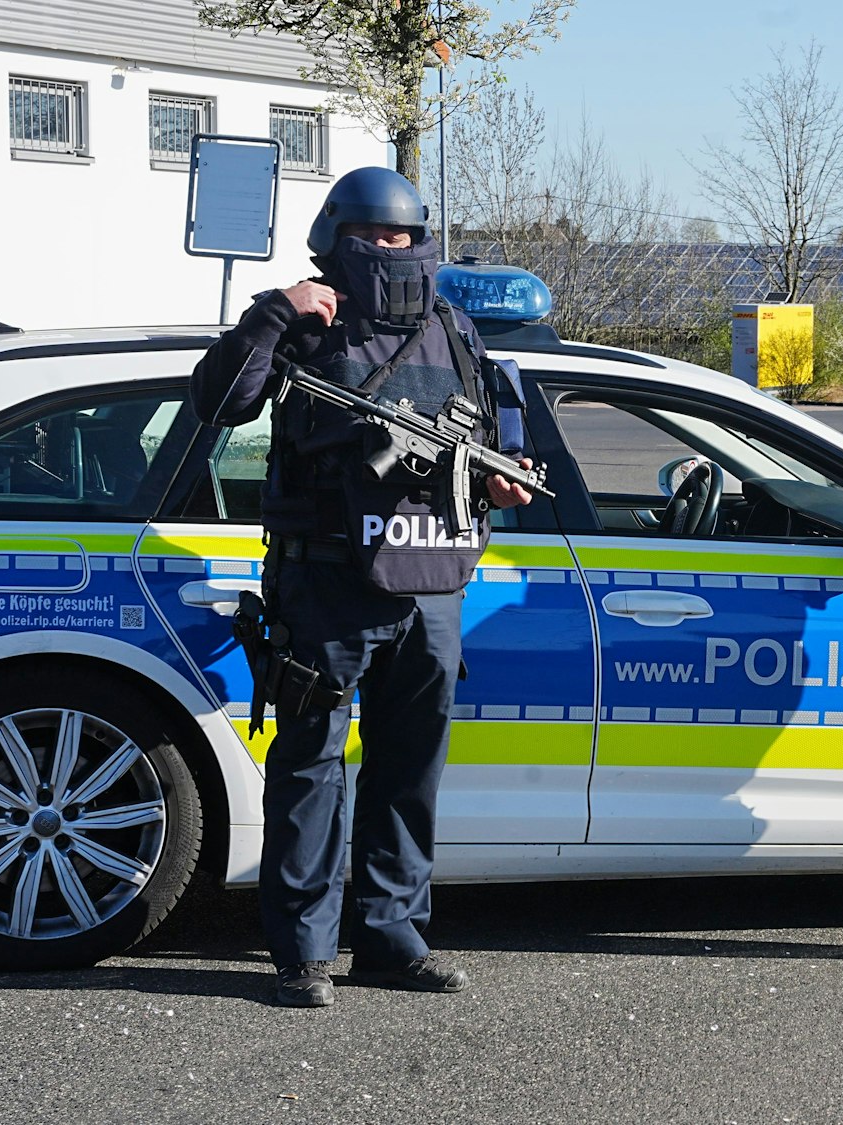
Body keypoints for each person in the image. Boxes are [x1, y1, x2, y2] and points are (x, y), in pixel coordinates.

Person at [190, 167, 535, 1009]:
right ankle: (303, 954)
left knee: (409, 771)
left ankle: (391, 938)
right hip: (328, 580)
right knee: (311, 769)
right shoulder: (308, 320)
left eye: (404, 236)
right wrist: (275, 315)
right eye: (375, 236)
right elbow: (219, 401)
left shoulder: (453, 326)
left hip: (434, 587)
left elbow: (496, 431)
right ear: (335, 237)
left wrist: (503, 480)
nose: (391, 250)